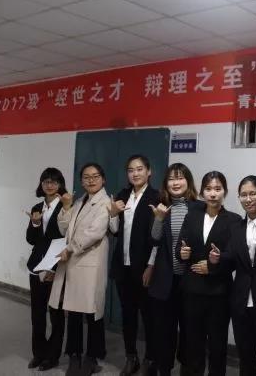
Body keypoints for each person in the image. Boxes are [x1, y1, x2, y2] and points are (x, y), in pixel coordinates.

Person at [208, 175, 256, 376]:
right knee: (245, 357)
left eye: (253, 193)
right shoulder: (236, 227)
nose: (248, 199)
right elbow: (231, 257)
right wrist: (218, 258)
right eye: (243, 195)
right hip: (240, 301)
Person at [175, 171, 241, 376]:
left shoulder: (234, 220)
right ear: (202, 192)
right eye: (209, 189)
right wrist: (182, 253)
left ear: (225, 192)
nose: (213, 193)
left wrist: (213, 266)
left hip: (219, 292)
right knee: (192, 342)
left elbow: (235, 256)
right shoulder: (192, 216)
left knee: (217, 345)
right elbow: (180, 247)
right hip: (192, 290)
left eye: (218, 189)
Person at [48, 162, 111, 376]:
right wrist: (66, 208)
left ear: (103, 179)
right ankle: (74, 355)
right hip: (73, 263)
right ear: (81, 181)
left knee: (93, 312)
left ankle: (92, 357)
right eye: (86, 177)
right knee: (73, 311)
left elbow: (95, 233)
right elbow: (63, 228)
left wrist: (70, 249)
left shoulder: (105, 203)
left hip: (89, 264)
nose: (91, 180)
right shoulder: (79, 201)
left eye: (95, 176)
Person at [147, 163, 201, 376]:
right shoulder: (161, 207)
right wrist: (159, 219)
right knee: (164, 331)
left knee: (190, 331)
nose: (175, 183)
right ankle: (164, 369)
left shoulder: (199, 207)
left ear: (188, 181)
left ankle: (187, 369)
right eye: (171, 179)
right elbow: (154, 239)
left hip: (191, 281)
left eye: (180, 178)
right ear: (165, 183)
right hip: (165, 281)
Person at [109, 155, 160, 376]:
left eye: (139, 169)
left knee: (149, 316)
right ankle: (131, 357)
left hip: (145, 268)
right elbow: (114, 231)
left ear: (149, 171)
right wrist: (112, 214)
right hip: (123, 266)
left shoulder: (157, 197)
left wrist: (151, 265)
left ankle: (150, 359)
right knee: (127, 315)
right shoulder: (122, 196)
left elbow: (158, 237)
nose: (135, 173)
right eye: (131, 170)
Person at [24, 167, 67, 371]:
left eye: (54, 181)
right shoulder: (37, 207)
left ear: (60, 184)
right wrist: (34, 223)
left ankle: (52, 356)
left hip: (56, 267)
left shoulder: (66, 207)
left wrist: (54, 268)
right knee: (37, 314)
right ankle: (38, 353)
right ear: (41, 184)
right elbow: (31, 239)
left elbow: (67, 239)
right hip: (36, 267)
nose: (49, 185)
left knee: (56, 314)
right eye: (46, 181)